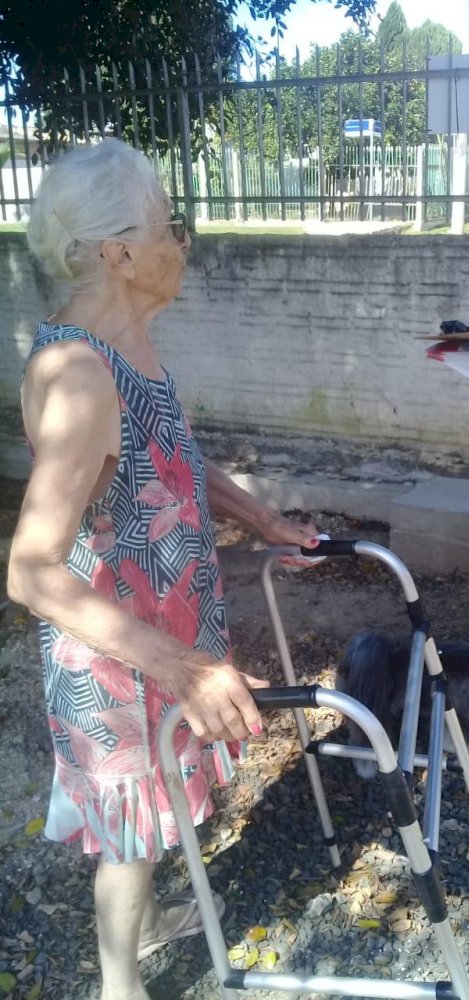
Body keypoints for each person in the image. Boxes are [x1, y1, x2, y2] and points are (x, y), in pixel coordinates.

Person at [6, 139, 320, 1000]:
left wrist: (262, 519)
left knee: (153, 822)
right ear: (119, 253)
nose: (184, 242)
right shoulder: (79, 374)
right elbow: (31, 570)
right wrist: (182, 667)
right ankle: (120, 983)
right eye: (169, 226)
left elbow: (170, 454)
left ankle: (142, 927)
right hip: (119, 662)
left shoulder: (125, 345)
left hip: (161, 637)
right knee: (131, 834)